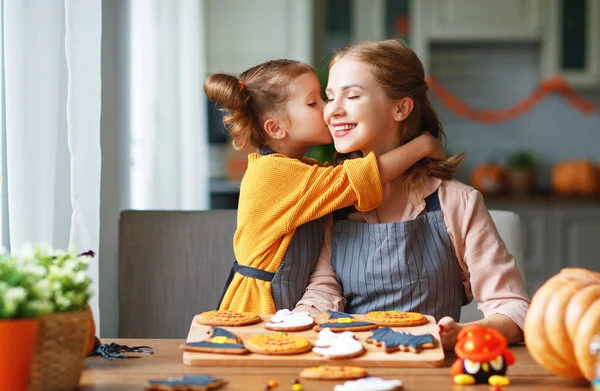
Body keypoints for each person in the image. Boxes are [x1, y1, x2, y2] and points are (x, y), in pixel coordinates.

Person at [295, 40, 530, 349]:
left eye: (352, 96)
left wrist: (463, 334)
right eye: (329, 97)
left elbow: (514, 309)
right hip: (354, 369)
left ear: (401, 108)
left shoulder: (457, 203)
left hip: (434, 370)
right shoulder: (335, 202)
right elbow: (323, 292)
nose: (333, 111)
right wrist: (299, 319)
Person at [204, 59, 446, 314]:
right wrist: (423, 146)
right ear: (276, 128)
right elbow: (358, 179)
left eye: (323, 98)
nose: (327, 109)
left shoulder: (302, 169)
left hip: (289, 306)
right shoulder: (274, 174)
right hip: (259, 308)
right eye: (313, 103)